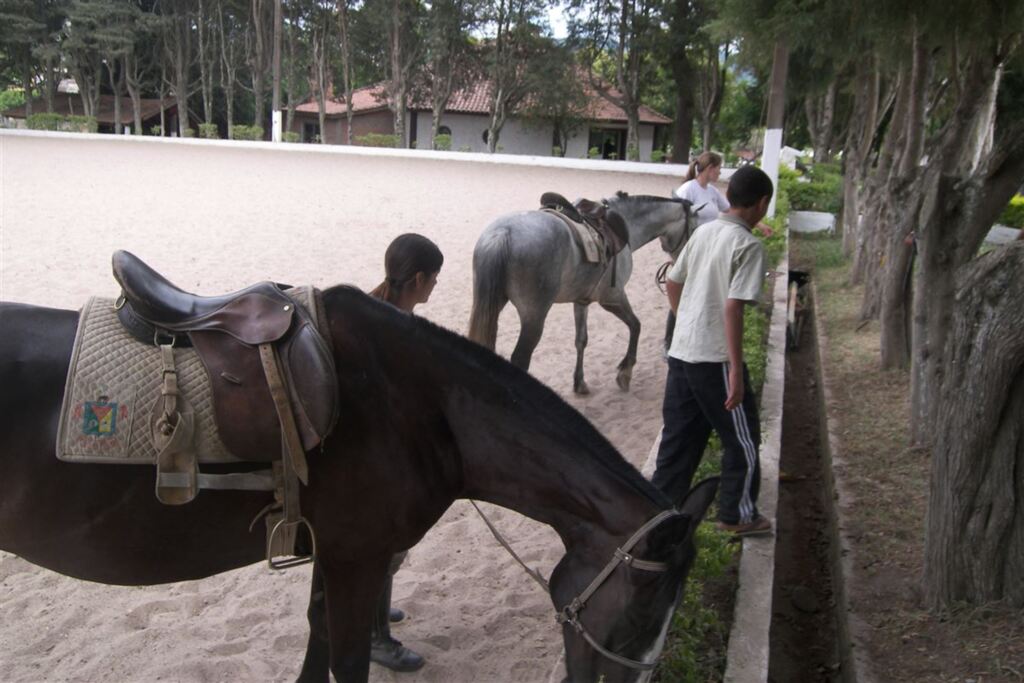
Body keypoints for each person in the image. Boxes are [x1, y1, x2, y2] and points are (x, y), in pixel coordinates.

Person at [652, 166, 774, 536]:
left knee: (679, 440)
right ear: (763, 203)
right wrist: (736, 369)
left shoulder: (705, 231)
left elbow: (673, 280)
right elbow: (733, 307)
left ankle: (657, 516)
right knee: (742, 439)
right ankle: (736, 516)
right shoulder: (748, 245)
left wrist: (686, 318)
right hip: (714, 359)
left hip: (682, 353)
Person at [366, 232, 444, 672]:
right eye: (434, 279)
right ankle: (375, 634)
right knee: (386, 539)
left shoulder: (373, 307)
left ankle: (373, 600)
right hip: (376, 459)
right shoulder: (394, 328)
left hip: (376, 451)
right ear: (418, 279)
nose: (435, 286)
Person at [674, 152, 731, 229]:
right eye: (719, 168)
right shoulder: (687, 189)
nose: (720, 172)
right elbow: (676, 219)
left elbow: (729, 210)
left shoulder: (713, 191)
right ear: (710, 168)